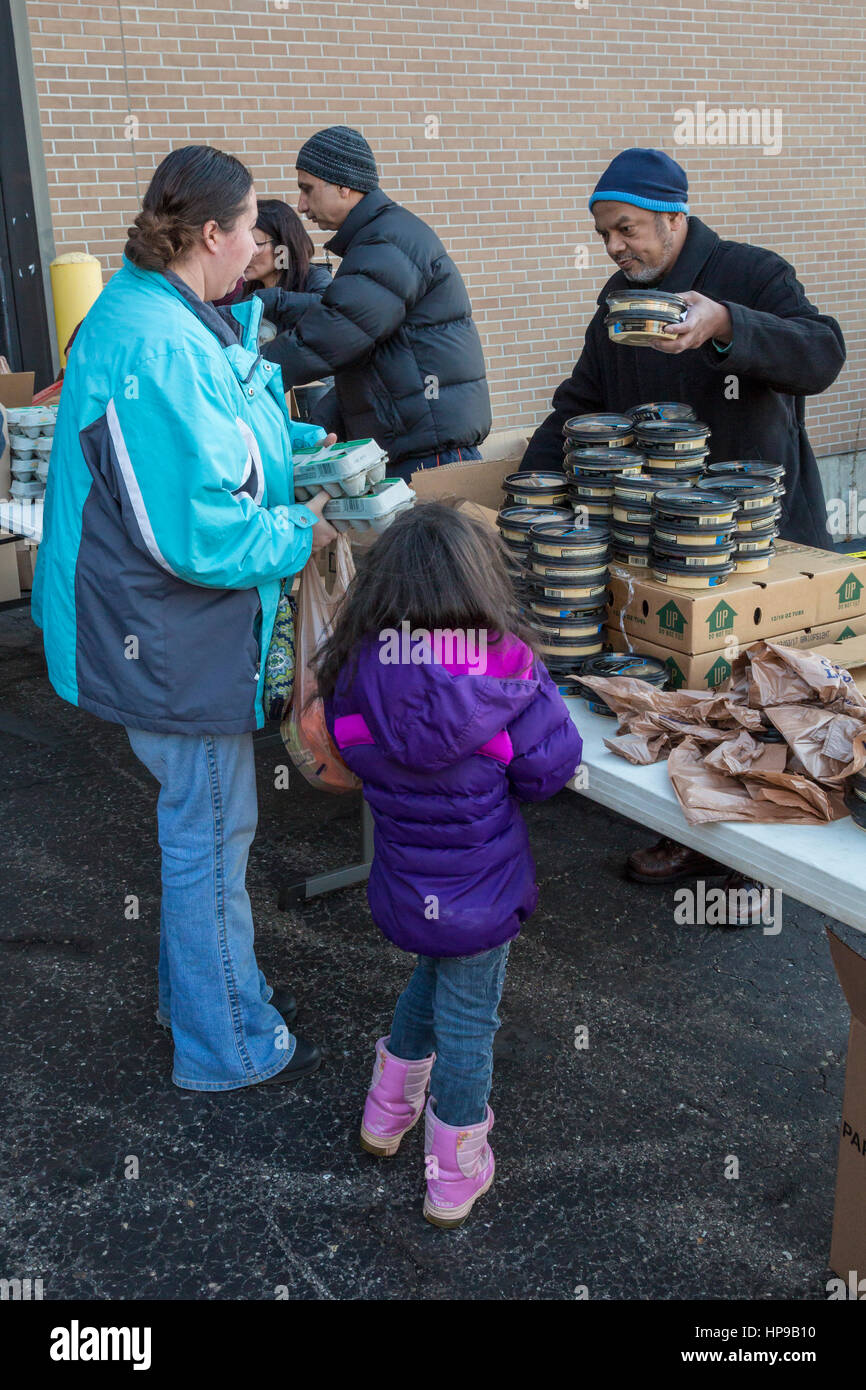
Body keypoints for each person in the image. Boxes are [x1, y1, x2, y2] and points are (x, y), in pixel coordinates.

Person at [32, 145, 339, 1091]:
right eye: (251, 226)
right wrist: (301, 529)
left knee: (198, 830)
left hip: (160, 632)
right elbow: (198, 533)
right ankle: (227, 1046)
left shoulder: (161, 311)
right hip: (166, 637)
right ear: (210, 233)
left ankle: (195, 1004)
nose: (261, 245)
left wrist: (303, 446)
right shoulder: (155, 342)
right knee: (209, 837)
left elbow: (221, 428)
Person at [522, 147, 846, 896]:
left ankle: (752, 840)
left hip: (760, 537)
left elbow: (823, 354)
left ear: (673, 217)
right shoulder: (617, 299)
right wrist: (522, 490)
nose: (614, 247)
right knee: (686, 685)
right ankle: (700, 826)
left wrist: (728, 325)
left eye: (626, 229)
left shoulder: (749, 273)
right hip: (658, 540)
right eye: (605, 234)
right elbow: (582, 403)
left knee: (766, 692)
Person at [314, 502, 583, 1227]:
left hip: (407, 882)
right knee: (470, 1017)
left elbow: (351, 753)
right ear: (478, 584)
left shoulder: (352, 673)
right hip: (483, 890)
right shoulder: (506, 669)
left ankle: (386, 1112)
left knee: (435, 975)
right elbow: (550, 771)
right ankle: (453, 1172)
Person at [257, 126, 492, 483]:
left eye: (307, 189)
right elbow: (354, 338)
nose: (301, 205)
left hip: (432, 459)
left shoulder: (388, 241)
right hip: (417, 448)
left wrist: (247, 377)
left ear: (344, 186)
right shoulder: (377, 240)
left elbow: (333, 333)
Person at [212, 196, 332, 305]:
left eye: (256, 243)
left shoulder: (315, 279)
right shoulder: (247, 291)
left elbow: (329, 312)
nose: (248, 252)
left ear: (282, 249)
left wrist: (269, 300)